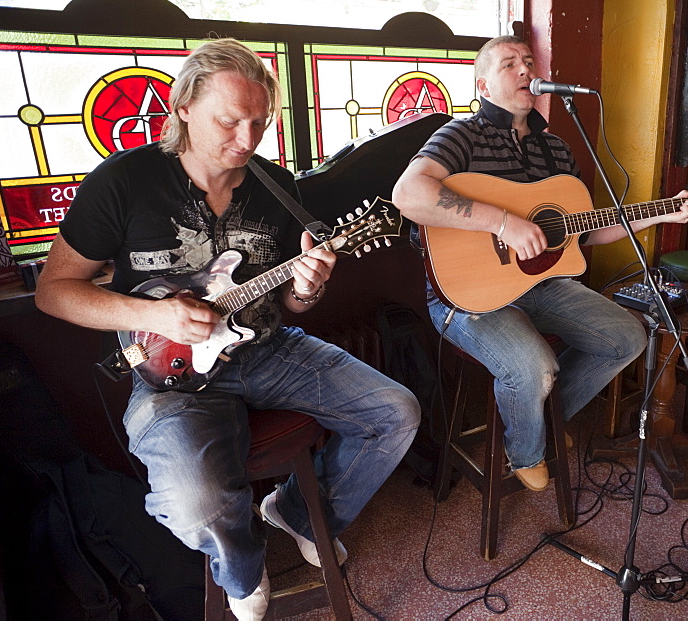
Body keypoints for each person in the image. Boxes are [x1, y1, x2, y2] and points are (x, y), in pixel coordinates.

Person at [35, 38, 420, 621]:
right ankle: (240, 564)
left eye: (259, 123)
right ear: (183, 106)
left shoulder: (273, 186)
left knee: (397, 412)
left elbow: (292, 302)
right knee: (195, 505)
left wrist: (309, 285)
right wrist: (155, 314)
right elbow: (52, 291)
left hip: (268, 348)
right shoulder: (125, 182)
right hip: (171, 375)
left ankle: (293, 511)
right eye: (229, 121)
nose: (246, 140)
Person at [391, 35, 688, 492]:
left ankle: (543, 419)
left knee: (626, 336)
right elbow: (408, 195)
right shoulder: (460, 135)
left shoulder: (555, 149)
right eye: (508, 64)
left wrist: (659, 212)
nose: (524, 70)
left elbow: (586, 230)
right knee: (534, 365)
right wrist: (503, 222)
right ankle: (526, 451)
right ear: (483, 85)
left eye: (528, 61)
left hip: (541, 283)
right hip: (464, 294)